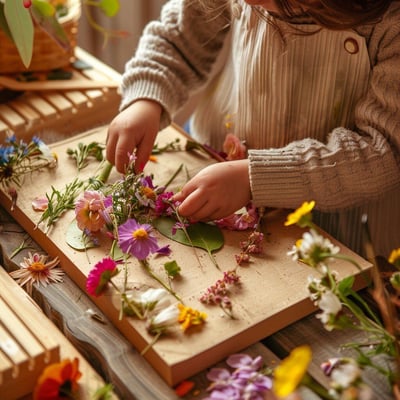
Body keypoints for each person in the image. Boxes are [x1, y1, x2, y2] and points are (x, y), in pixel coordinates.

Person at [106, 0, 400, 258]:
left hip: (338, 237)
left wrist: (253, 178)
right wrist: (147, 97)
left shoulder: (392, 23)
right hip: (217, 174)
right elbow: (179, 40)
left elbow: (382, 150)